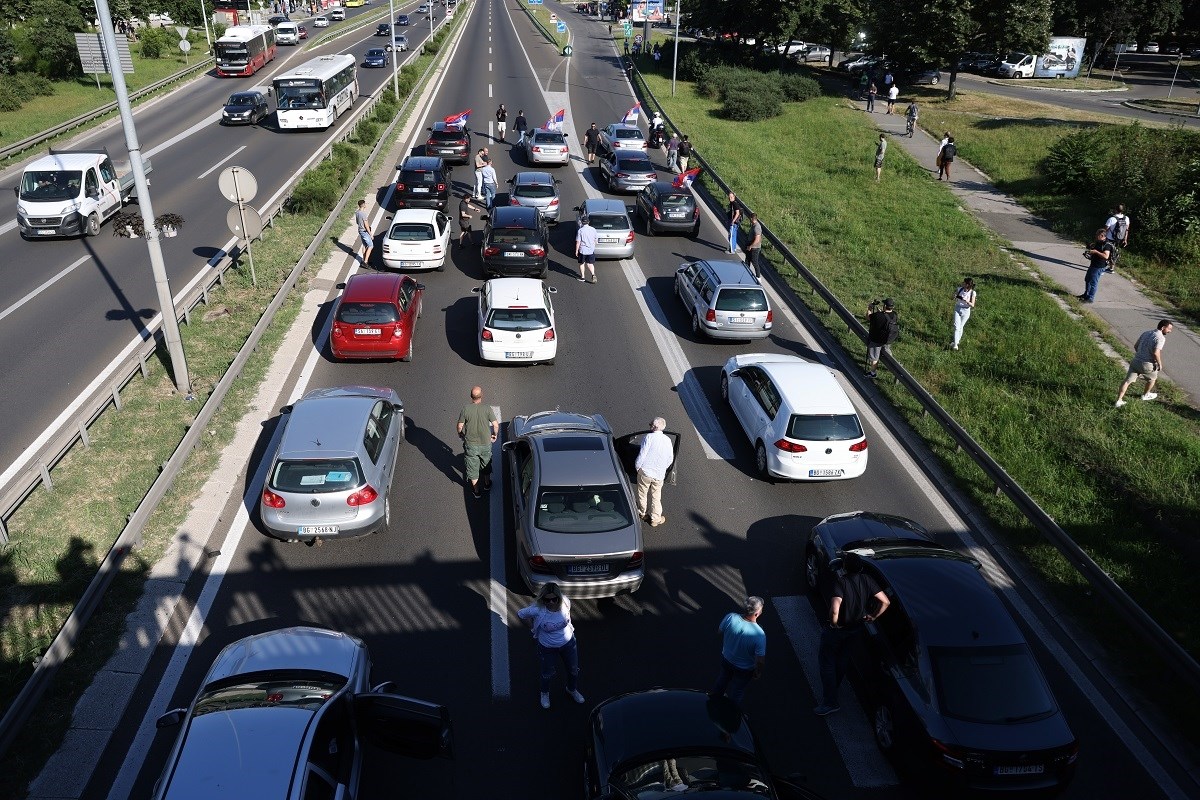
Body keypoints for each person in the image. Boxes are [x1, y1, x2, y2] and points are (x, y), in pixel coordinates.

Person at [814, 554, 890, 716]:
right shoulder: (867, 580)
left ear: (844, 567)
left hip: (838, 630)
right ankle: (836, 685)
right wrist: (873, 616)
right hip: (856, 628)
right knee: (843, 658)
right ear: (860, 567)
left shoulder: (841, 582)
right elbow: (885, 601)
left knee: (826, 663)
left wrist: (834, 624)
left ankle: (830, 701)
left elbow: (835, 609)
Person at [517, 583, 584, 709]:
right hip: (547, 648)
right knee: (547, 673)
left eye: (554, 599)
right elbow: (521, 614)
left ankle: (571, 689)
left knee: (573, 670)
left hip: (569, 644)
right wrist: (532, 628)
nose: (551, 602)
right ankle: (544, 693)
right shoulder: (537, 610)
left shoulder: (565, 603)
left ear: (559, 597)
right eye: (547, 599)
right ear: (542, 599)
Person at [709, 596, 766, 705]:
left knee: (722, 680)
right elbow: (760, 660)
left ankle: (714, 702)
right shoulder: (759, 634)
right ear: (756, 614)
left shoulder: (730, 617)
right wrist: (758, 671)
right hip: (744, 669)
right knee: (737, 691)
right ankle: (730, 712)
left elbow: (719, 631)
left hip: (727, 659)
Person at [1116, 320, 1172, 406]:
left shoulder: (1146, 333)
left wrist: (1141, 354)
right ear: (1163, 327)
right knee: (1152, 380)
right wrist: (1159, 364)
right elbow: (1156, 352)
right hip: (1148, 364)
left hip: (1136, 361)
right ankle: (1146, 395)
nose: (1169, 331)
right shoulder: (1161, 338)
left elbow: (1136, 346)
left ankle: (1119, 401)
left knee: (1127, 381)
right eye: (1169, 329)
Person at [456, 385, 498, 499]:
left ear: (471, 396)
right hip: (485, 444)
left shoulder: (466, 409)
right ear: (481, 396)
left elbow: (460, 426)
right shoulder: (487, 408)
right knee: (486, 464)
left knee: (472, 469)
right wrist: (494, 435)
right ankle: (487, 484)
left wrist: (461, 435)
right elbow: (495, 425)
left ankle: (477, 491)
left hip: (471, 445)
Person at [635, 417, 673, 527]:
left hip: (645, 472)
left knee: (642, 493)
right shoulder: (667, 440)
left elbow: (642, 454)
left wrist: (638, 468)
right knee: (656, 496)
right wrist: (662, 468)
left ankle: (642, 513)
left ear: (653, 426)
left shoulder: (649, 437)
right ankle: (655, 519)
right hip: (659, 475)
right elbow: (670, 458)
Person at [865, 297, 899, 378]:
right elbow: (886, 320)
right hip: (887, 340)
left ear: (884, 306)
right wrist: (882, 313)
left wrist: (869, 308)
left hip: (876, 341)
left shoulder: (877, 316)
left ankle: (873, 373)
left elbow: (868, 317)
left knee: (874, 358)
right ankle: (891, 366)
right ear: (892, 307)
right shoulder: (895, 315)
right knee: (887, 354)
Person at [1079, 227, 1113, 303]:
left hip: (1099, 266)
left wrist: (1095, 252)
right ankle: (1086, 295)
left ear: (1102, 236)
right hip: (1093, 264)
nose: (1096, 236)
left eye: (1097, 235)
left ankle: (1090, 298)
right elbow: (1096, 250)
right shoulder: (1098, 242)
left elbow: (1106, 256)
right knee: (1087, 279)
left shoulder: (1107, 245)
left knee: (1093, 282)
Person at [1104, 203, 1132, 273]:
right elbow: (1127, 230)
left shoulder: (1112, 219)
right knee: (1114, 253)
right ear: (1122, 210)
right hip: (1119, 239)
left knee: (1106, 253)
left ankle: (1102, 268)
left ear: (1115, 210)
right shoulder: (1126, 218)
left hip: (1110, 238)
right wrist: (1125, 239)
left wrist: (1102, 238)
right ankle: (1111, 268)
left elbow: (1105, 230)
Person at [951, 277, 976, 350]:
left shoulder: (972, 293)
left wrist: (966, 301)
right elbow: (952, 297)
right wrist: (954, 296)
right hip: (957, 308)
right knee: (956, 326)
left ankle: (956, 341)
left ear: (967, 285)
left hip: (966, 311)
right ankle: (955, 344)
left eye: (964, 283)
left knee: (961, 326)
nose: (962, 283)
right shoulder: (959, 289)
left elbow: (972, 305)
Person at [576, 214, 598, 283]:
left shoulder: (580, 231)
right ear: (588, 222)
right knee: (590, 264)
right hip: (590, 250)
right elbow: (596, 240)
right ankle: (593, 274)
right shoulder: (593, 229)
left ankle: (582, 277)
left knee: (582, 263)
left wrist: (576, 250)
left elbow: (578, 242)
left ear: (582, 222)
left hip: (583, 250)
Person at [354, 199, 372, 266]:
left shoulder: (357, 212)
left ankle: (364, 259)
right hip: (364, 231)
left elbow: (357, 222)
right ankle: (365, 261)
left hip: (360, 230)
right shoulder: (363, 214)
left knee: (364, 245)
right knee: (371, 245)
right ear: (363, 205)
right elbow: (366, 225)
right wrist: (370, 234)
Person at [745, 211, 762, 277]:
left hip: (755, 248)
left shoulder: (756, 227)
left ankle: (758, 277)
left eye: (750, 219)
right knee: (747, 260)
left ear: (752, 219)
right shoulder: (754, 225)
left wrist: (751, 246)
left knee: (754, 262)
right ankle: (746, 273)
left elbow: (757, 239)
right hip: (751, 246)